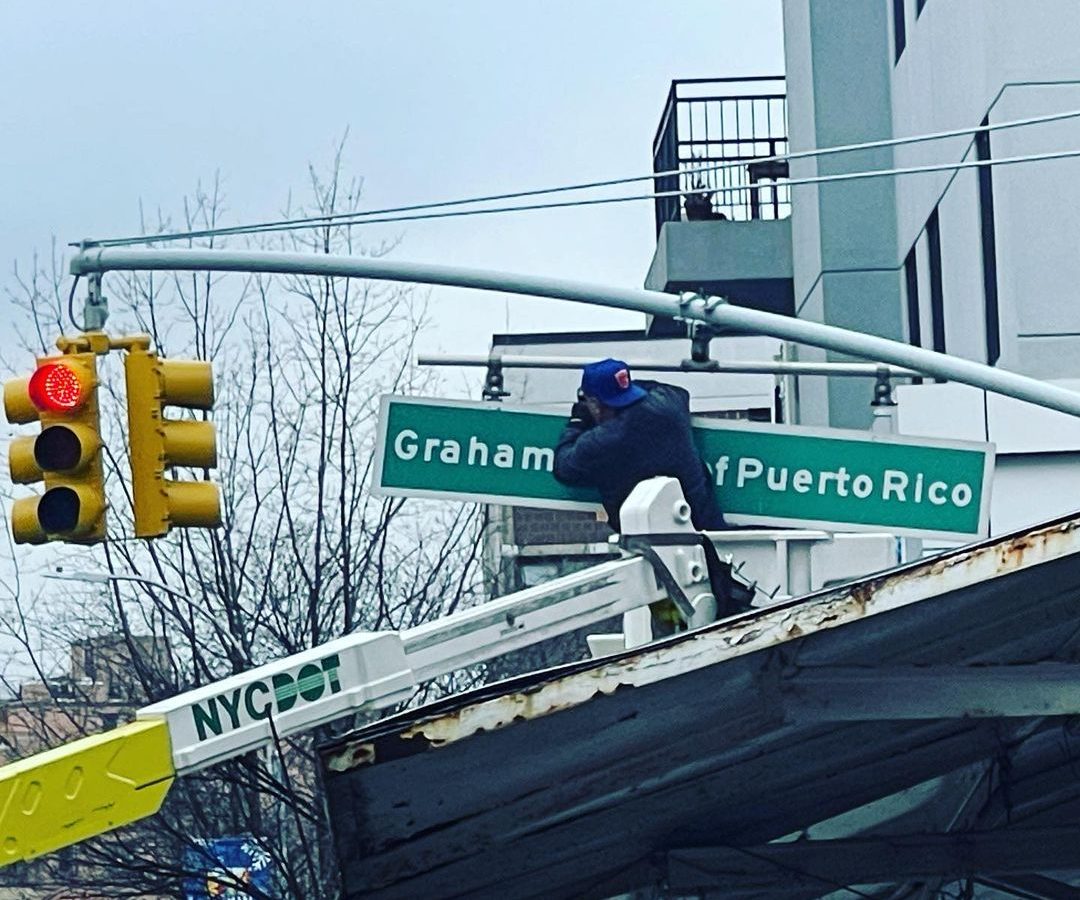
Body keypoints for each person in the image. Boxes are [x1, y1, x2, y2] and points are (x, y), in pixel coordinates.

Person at [553, 358, 726, 533]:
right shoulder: (669, 406)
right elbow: (678, 392)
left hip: (644, 541)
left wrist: (577, 421)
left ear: (596, 405)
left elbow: (563, 467)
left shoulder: (601, 441)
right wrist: (628, 390)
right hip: (707, 531)